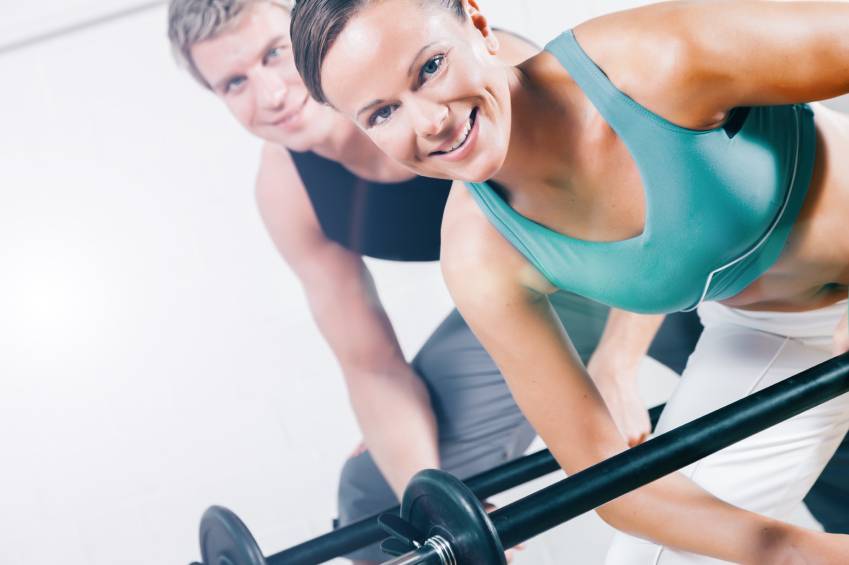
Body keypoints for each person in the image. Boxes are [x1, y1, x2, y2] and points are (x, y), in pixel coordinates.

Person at [290, 0, 849, 562]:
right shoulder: (480, 252)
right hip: (774, 329)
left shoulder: (649, 61)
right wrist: (797, 553)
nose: (429, 122)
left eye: (430, 68)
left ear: (478, 26)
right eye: (382, 113)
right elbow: (615, 488)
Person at [167, 1, 709, 562]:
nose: (272, 94)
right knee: (375, 494)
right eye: (234, 83)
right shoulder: (287, 190)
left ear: (311, 37)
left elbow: (658, 194)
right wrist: (427, 499)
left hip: (646, 240)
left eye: (276, 54)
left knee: (781, 381)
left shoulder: (472, 66)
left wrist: (618, 365)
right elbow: (370, 364)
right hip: (524, 291)